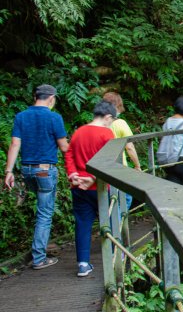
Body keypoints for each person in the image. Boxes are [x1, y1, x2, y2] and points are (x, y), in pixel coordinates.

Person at [3, 84, 68, 270]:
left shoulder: (21, 116)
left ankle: (39, 248)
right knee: (45, 213)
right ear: (51, 98)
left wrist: (9, 171)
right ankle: (39, 257)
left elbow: (15, 144)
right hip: (45, 171)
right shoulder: (54, 117)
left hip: (27, 171)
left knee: (42, 209)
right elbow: (64, 148)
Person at [64, 101, 117, 277]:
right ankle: (116, 257)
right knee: (110, 222)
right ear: (108, 117)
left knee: (83, 224)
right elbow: (110, 161)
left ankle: (83, 264)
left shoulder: (79, 132)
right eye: (112, 119)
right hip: (100, 186)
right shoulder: (106, 134)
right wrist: (94, 178)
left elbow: (69, 153)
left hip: (78, 185)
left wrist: (72, 174)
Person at [102, 92, 142, 209]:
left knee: (112, 202)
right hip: (119, 168)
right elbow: (129, 147)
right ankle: (116, 226)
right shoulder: (120, 123)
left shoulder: (99, 124)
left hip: (103, 169)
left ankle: (113, 225)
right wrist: (137, 165)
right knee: (125, 200)